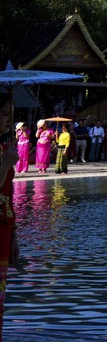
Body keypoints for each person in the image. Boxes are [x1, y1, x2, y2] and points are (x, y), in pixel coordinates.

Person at [0, 94, 23, 340]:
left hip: (4, 232)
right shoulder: (5, 154)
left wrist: (15, 236)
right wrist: (5, 164)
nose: (10, 120)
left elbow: (8, 196)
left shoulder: (5, 149)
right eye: (5, 114)